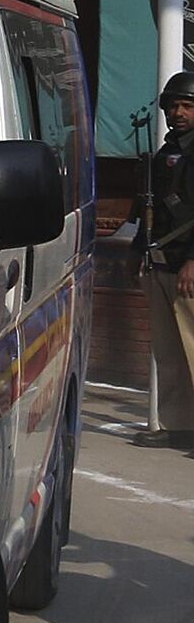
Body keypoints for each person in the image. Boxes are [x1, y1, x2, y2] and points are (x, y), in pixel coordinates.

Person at [135, 72, 194, 450]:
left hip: (188, 264)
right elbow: (149, 206)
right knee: (170, 351)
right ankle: (179, 425)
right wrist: (137, 249)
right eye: (173, 106)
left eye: (187, 106)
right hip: (160, 260)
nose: (178, 112)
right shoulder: (167, 151)